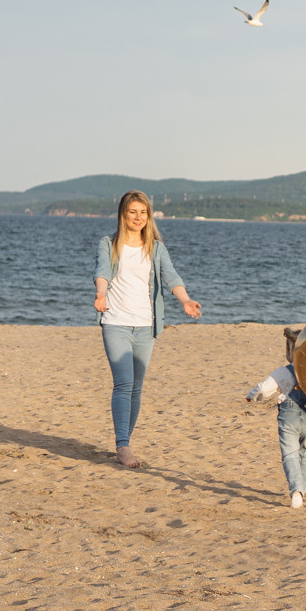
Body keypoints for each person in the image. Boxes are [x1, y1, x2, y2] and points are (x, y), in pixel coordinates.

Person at [93, 190, 202, 469]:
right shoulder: (109, 244)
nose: (138, 217)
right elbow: (102, 272)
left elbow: (171, 276)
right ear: (123, 214)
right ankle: (123, 446)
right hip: (115, 321)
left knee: (136, 388)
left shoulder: (155, 247)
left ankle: (124, 439)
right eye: (133, 212)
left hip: (146, 325)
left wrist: (186, 300)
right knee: (124, 383)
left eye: (143, 212)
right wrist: (101, 294)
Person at [245, 326, 306, 508]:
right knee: (305, 450)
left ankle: (296, 491)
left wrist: (252, 396)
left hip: (289, 416)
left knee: (290, 454)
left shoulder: (283, 372)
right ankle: (302, 488)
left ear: (290, 351)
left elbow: (264, 389)